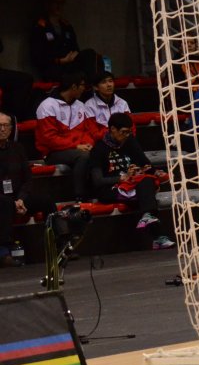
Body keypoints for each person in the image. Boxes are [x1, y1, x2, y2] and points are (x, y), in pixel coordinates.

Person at [89, 112, 173, 250]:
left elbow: (146, 164)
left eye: (129, 132)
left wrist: (154, 171)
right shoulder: (98, 149)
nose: (126, 136)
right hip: (110, 188)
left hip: (131, 184)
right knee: (145, 193)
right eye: (124, 132)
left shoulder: (130, 141)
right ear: (113, 129)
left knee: (146, 181)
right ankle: (158, 237)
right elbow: (97, 181)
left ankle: (149, 220)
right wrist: (121, 178)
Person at [34, 72, 98, 203]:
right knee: (83, 156)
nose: (84, 89)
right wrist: (76, 146)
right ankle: (80, 196)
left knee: (98, 151)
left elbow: (87, 131)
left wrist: (88, 144)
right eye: (82, 86)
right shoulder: (47, 106)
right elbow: (49, 139)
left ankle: (101, 192)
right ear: (74, 86)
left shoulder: (80, 105)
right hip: (53, 152)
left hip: (76, 148)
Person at [0, 111, 53, 266]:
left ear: (11, 129)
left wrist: (21, 199)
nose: (2, 129)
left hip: (18, 197)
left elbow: (28, 179)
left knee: (46, 201)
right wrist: (13, 202)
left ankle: (54, 244)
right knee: (4, 203)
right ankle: (3, 252)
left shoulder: (18, 148)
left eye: (5, 126)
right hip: (2, 199)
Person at [29, 0, 103, 82]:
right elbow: (37, 57)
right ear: (48, 4)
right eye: (56, 2)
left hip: (70, 64)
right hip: (53, 67)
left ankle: (97, 85)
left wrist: (73, 55)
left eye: (62, 3)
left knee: (90, 54)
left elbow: (75, 47)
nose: (59, 6)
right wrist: (60, 60)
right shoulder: (40, 26)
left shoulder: (66, 26)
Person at [84, 70, 131, 134]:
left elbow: (131, 126)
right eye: (104, 82)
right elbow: (93, 132)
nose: (109, 85)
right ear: (95, 87)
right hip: (101, 141)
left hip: (123, 138)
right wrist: (114, 135)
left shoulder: (122, 103)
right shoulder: (89, 105)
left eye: (110, 81)